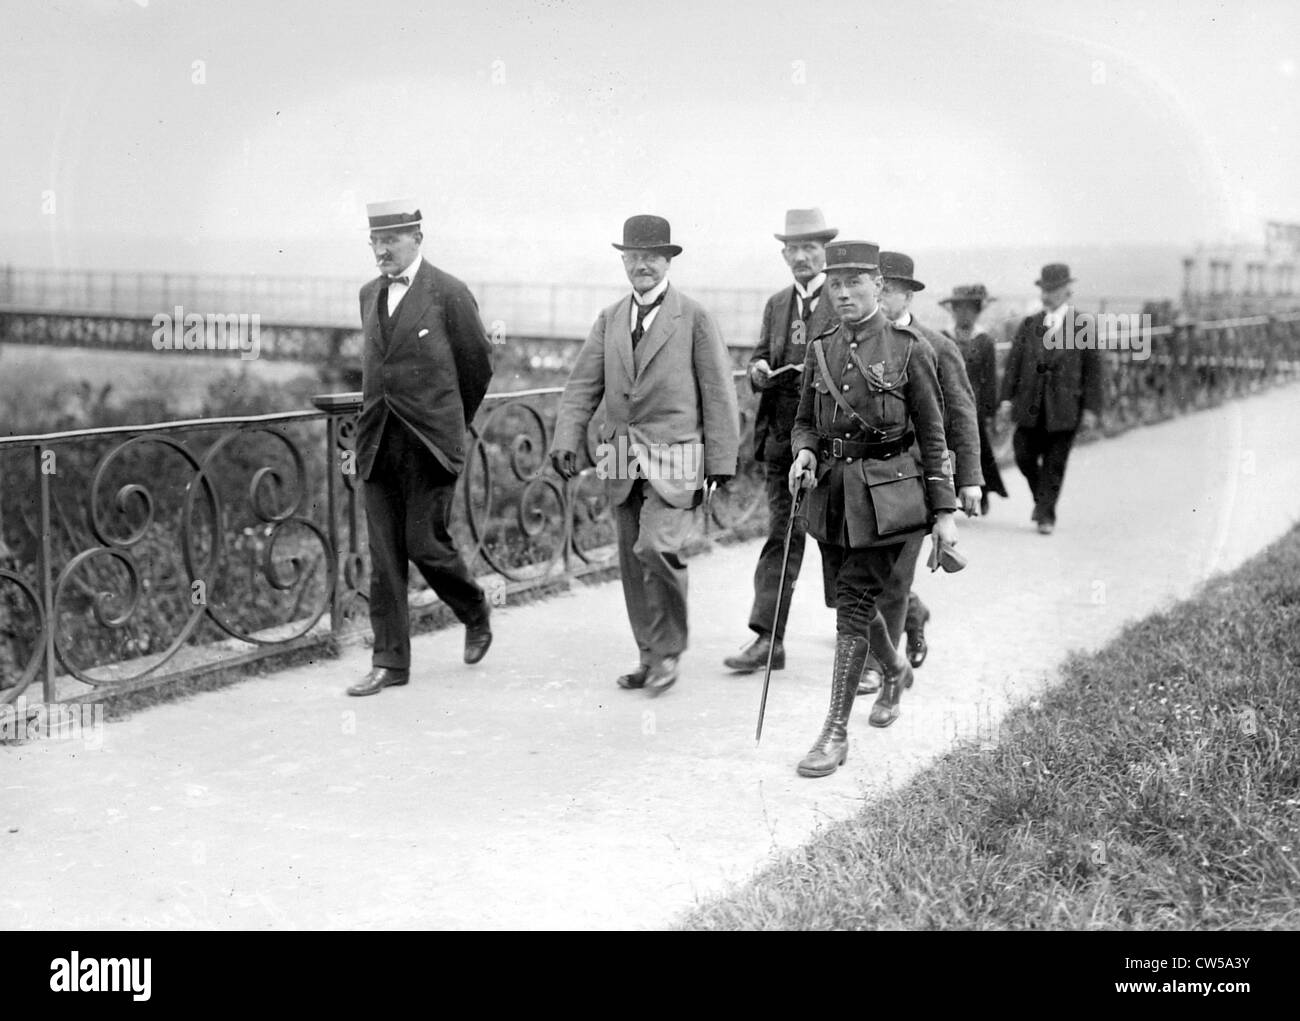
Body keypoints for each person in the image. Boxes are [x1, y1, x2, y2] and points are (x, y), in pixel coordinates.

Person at [788, 241, 959, 778]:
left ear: (879, 286)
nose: (842, 292)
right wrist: (805, 453)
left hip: (889, 500)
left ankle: (834, 733)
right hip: (833, 498)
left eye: (855, 282)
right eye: (835, 283)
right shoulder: (822, 347)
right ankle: (894, 669)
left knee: (855, 610)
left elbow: (933, 436)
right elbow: (804, 421)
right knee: (847, 604)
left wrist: (945, 513)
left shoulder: (910, 348)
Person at [550, 215, 739, 696]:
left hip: (676, 458)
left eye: (651, 257)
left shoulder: (694, 317)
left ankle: (669, 649)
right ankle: (649, 655)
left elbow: (719, 393)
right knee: (631, 560)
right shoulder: (609, 319)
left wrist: (720, 463)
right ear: (623, 262)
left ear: (668, 261)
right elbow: (582, 387)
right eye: (633, 258)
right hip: (618, 456)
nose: (642, 266)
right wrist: (565, 440)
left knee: (657, 548)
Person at [347, 199, 495, 697]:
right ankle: (389, 663)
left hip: (430, 444)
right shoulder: (368, 294)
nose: (381, 250)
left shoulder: (449, 292)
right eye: (375, 241)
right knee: (384, 554)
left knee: (424, 543)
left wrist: (450, 425)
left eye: (391, 240)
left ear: (417, 238)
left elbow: (477, 366)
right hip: (377, 442)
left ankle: (474, 609)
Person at [860, 252, 983, 693]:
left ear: (909, 294)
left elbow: (961, 416)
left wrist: (968, 477)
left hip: (912, 477)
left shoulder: (934, 346)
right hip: (859, 478)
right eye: (874, 286)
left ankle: (878, 664)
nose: (878, 295)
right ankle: (912, 614)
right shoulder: (854, 342)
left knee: (892, 576)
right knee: (860, 574)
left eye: (887, 289)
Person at [724, 209, 839, 674]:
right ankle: (768, 640)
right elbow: (761, 354)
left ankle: (892, 622)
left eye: (811, 248)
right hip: (780, 440)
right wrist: (757, 370)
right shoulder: (776, 304)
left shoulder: (841, 299)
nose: (802, 257)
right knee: (782, 536)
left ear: (824, 252)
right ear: (784, 254)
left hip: (831, 447)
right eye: (794, 249)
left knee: (842, 543)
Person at [997, 263, 1103, 535]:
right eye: (1045, 289)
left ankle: (1046, 515)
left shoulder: (1082, 325)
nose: (1048, 294)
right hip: (1030, 406)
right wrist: (1006, 399)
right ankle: (1042, 501)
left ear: (1068, 290)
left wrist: (1091, 409)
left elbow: (1093, 371)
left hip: (1065, 408)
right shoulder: (1030, 324)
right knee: (1023, 455)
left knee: (1055, 464)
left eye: (1054, 289)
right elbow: (1013, 365)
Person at [940, 283, 1008, 517]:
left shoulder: (984, 341)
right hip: (947, 407)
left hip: (974, 408)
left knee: (976, 452)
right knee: (947, 453)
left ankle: (983, 490)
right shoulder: (943, 338)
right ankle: (947, 494)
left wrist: (990, 411)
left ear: (977, 312)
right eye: (960, 309)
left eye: (970, 309)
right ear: (953, 311)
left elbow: (989, 380)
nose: (964, 314)